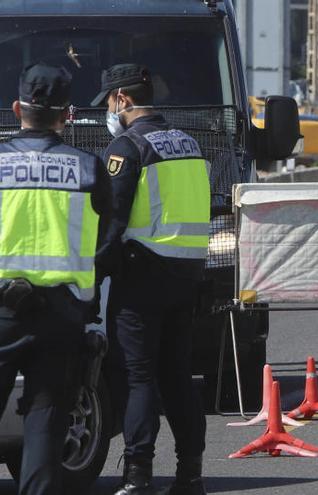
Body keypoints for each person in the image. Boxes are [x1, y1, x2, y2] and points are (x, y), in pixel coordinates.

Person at [92, 64, 211, 495]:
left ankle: (138, 474)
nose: (108, 110)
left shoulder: (128, 147)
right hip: (187, 275)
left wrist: (94, 275)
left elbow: (111, 219)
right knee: (177, 375)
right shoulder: (189, 143)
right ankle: (190, 473)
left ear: (122, 99)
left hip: (142, 275)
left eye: (108, 101)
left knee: (140, 377)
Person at [0, 63, 111, 494]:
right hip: (61, 315)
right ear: (68, 114)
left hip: (2, 313)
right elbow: (106, 239)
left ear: (16, 109)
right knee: (45, 427)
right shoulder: (87, 169)